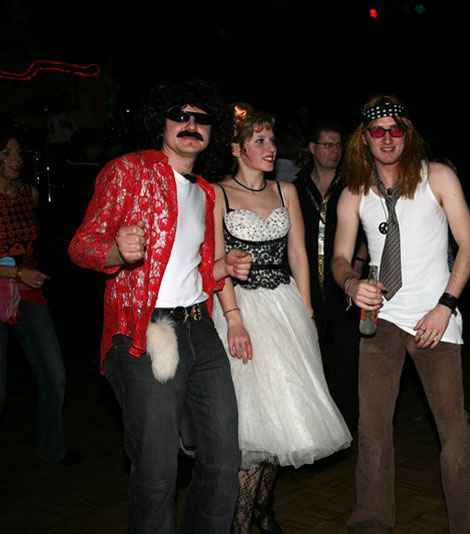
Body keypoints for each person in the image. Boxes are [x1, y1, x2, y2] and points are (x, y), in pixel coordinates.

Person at [69, 79, 252, 533]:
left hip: (200, 330)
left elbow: (196, 270)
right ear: (161, 122)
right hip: (145, 333)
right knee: (156, 472)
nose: (191, 125)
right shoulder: (128, 171)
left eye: (201, 119)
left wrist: (223, 265)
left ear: (212, 129)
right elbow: (81, 246)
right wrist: (116, 250)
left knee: (223, 459)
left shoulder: (205, 192)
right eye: (180, 115)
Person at [331, 95, 470, 533]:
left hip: (435, 319)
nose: (387, 138)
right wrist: (351, 284)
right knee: (373, 429)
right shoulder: (354, 192)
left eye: (395, 129)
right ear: (364, 139)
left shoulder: (437, 176)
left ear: (408, 134)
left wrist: (445, 307)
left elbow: (469, 247)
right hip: (379, 321)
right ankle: (371, 522)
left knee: (453, 429)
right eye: (377, 131)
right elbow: (340, 259)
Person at [211, 104, 351, 533]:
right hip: (241, 309)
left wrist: (307, 312)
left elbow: (299, 256)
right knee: (252, 423)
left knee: (285, 417)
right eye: (259, 141)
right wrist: (234, 320)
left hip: (284, 305)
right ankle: (240, 523)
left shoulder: (286, 190)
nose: (270, 148)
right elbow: (215, 263)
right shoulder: (217, 194)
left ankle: (263, 510)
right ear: (237, 149)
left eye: (272, 140)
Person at [0, 130, 80, 465]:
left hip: (30, 293)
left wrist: (25, 274)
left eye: (19, 152)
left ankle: (51, 449)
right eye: (6, 152)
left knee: (54, 376)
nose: (16, 159)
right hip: (4, 289)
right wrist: (16, 273)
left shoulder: (28, 194)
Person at [295, 119, 364, 433]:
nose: (334, 151)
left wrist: (359, 259)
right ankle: (316, 425)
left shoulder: (352, 185)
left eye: (338, 145)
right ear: (313, 148)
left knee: (349, 355)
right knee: (312, 355)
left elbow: (370, 226)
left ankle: (350, 424)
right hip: (307, 286)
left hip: (343, 284)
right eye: (327, 145)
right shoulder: (296, 187)